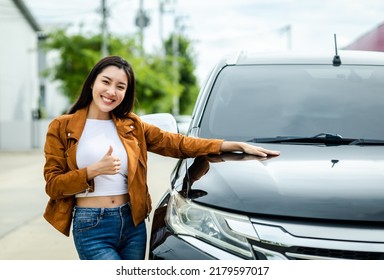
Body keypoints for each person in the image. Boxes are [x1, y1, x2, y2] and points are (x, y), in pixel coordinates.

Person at [43, 55, 280, 260]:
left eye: (120, 86)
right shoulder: (62, 127)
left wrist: (228, 145)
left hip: (133, 223)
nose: (111, 91)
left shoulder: (132, 125)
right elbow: (53, 186)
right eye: (106, 82)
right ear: (92, 82)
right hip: (92, 225)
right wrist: (93, 171)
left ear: (126, 92)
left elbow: (177, 143)